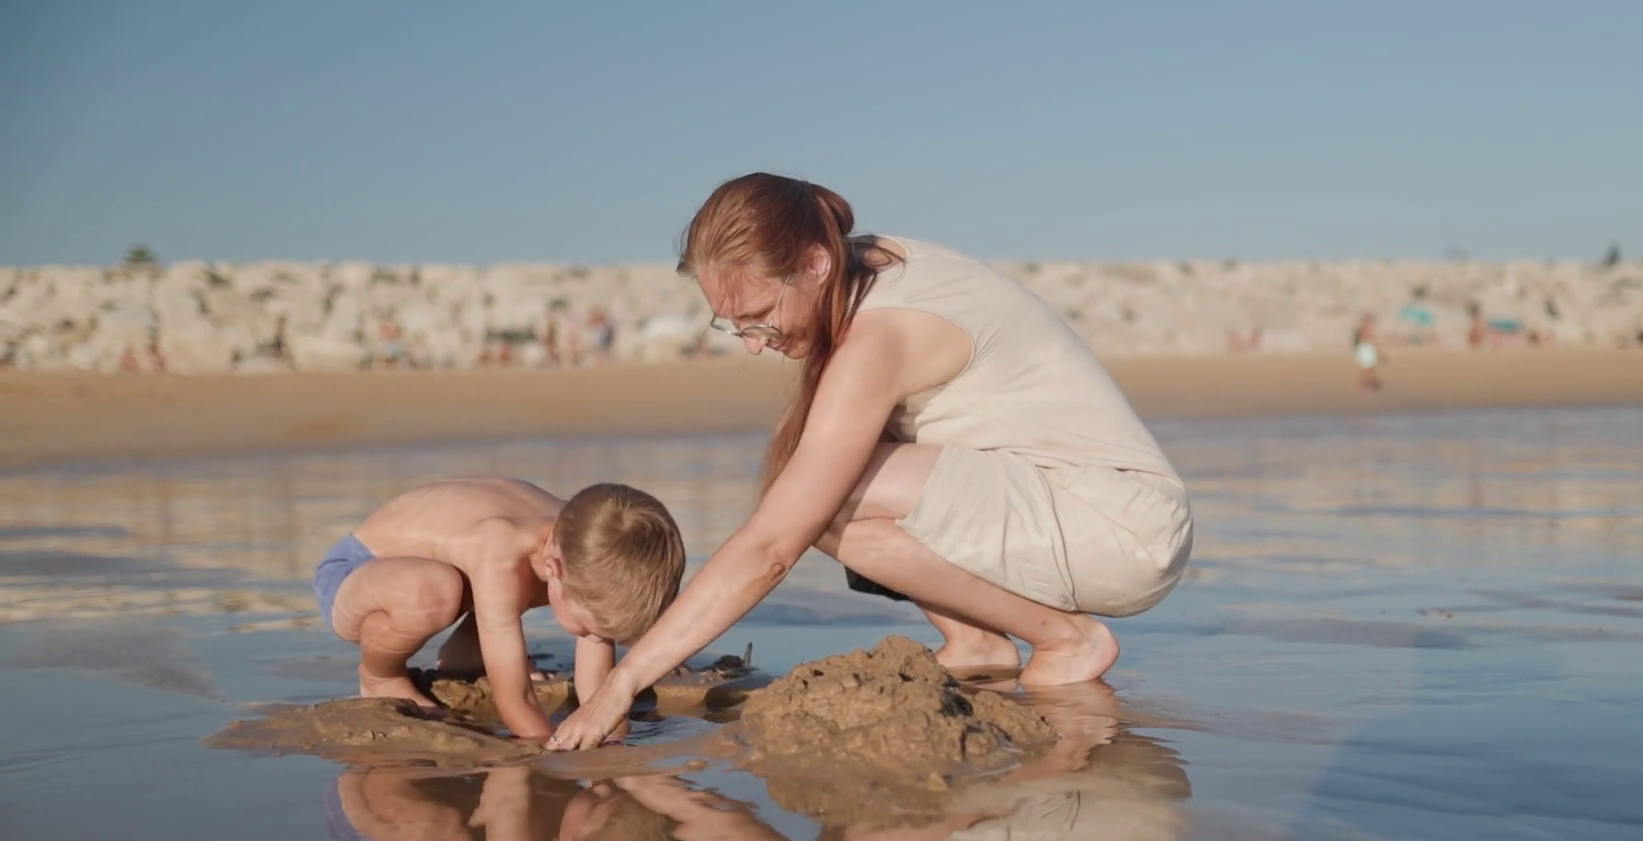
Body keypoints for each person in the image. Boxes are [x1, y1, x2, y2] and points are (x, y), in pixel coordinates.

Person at [546, 173, 1193, 750]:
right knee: (817, 489)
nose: (754, 345)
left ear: (814, 264)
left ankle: (1066, 640)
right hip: (1080, 509)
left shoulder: (880, 335)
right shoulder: (868, 265)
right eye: (733, 325)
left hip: (1117, 526)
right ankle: (977, 642)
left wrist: (624, 681)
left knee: (821, 502)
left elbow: (771, 547)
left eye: (760, 317)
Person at [314, 478, 684, 738]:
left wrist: (611, 735)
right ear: (555, 568)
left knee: (508, 589)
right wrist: (550, 749)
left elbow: (596, 689)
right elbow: (516, 699)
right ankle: (380, 676)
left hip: (465, 571)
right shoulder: (501, 549)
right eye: (589, 628)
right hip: (356, 572)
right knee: (436, 591)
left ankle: (466, 656)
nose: (594, 638)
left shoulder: (584, 543)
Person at [1352, 312, 1384, 392]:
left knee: (1370, 367)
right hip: (1366, 348)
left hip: (1367, 348)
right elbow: (1367, 337)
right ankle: (1364, 385)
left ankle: (1367, 384)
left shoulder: (1364, 327)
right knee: (1367, 368)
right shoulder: (1364, 328)